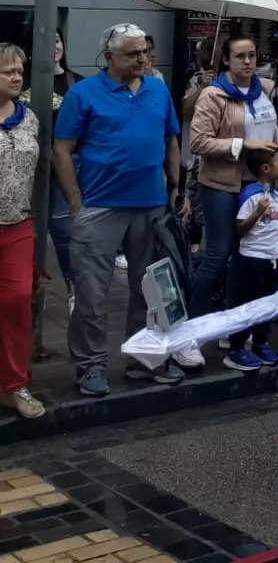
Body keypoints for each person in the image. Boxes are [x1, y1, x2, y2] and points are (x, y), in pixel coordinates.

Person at [53, 23, 186, 395]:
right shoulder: (83, 94)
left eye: (144, 51)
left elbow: (171, 140)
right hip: (99, 207)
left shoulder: (158, 89)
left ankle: (145, 360)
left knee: (151, 292)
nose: (142, 58)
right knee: (92, 294)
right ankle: (90, 365)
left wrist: (175, 187)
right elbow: (61, 150)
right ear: (108, 57)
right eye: (132, 54)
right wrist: (76, 203)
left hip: (151, 206)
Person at [187, 36, 278, 320]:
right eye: (240, 56)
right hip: (221, 184)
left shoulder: (264, 89)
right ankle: (191, 328)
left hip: (256, 183)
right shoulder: (214, 95)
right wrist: (242, 145)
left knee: (246, 256)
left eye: (252, 55)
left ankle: (234, 326)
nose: (248, 61)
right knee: (218, 253)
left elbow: (268, 127)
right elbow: (198, 142)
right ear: (226, 60)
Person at [21, 28, 81, 311]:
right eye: (47, 42)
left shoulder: (76, 84)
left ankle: (73, 290)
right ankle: (27, 291)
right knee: (25, 234)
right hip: (24, 169)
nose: (54, 46)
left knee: (63, 230)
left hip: (62, 169)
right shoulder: (20, 81)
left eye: (58, 40)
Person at [0, 43, 44, 419]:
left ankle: (14, 384)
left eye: (19, 71)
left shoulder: (29, 118)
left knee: (16, 301)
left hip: (18, 223)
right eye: (7, 72)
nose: (17, 77)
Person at [225, 145, 278, 372]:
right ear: (265, 168)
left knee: (267, 302)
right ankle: (237, 347)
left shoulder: (276, 195)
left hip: (272, 257)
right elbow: (240, 228)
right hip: (252, 258)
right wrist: (257, 213)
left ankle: (260, 342)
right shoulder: (251, 195)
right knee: (248, 302)